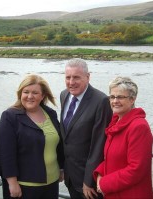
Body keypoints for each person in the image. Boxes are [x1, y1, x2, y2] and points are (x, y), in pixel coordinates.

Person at [0, 74, 64, 199]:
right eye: (26, 92)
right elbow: (5, 154)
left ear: (42, 95)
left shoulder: (51, 114)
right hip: (24, 185)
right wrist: (12, 183)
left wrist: (61, 168)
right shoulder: (10, 116)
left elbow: (58, 145)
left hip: (52, 182)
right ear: (20, 94)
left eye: (35, 93)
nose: (29, 96)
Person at [60, 58, 112, 199]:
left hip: (88, 182)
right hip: (70, 176)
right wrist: (62, 167)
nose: (71, 82)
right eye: (68, 77)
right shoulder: (64, 95)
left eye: (76, 77)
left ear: (88, 77)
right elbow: (66, 136)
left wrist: (89, 180)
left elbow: (99, 144)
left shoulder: (101, 101)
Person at [93, 77, 153, 199]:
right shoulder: (116, 122)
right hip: (115, 192)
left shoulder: (139, 127)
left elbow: (136, 170)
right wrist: (100, 173)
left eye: (120, 97)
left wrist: (104, 184)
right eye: (112, 97)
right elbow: (111, 158)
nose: (115, 101)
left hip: (131, 194)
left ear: (132, 99)